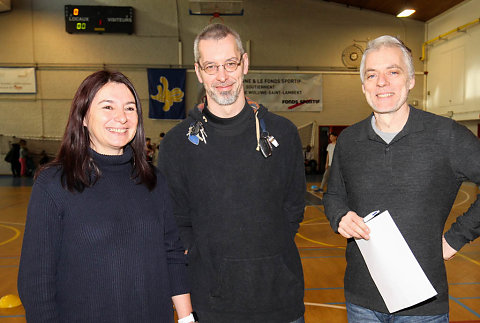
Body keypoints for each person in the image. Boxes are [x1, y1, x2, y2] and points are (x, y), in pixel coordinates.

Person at [323, 35, 480, 322]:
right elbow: (334, 195)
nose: (381, 82)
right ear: (363, 87)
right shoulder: (349, 140)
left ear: (410, 80)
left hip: (423, 306)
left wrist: (456, 238)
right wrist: (339, 216)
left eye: (393, 72)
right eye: (372, 75)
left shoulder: (447, 136)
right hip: (362, 302)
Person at [18, 70, 195, 323]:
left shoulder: (154, 181)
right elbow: (36, 281)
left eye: (130, 108)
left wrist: (187, 318)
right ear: (84, 116)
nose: (121, 117)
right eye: (108, 107)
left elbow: (173, 255)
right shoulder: (54, 184)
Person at [158, 23, 306, 323]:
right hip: (212, 306)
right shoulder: (177, 144)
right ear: (198, 72)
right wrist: (210, 260)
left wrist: (268, 255)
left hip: (280, 303)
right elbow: (176, 220)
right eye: (211, 67)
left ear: (245, 64)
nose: (222, 76)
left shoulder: (284, 134)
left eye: (230, 64)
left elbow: (293, 208)